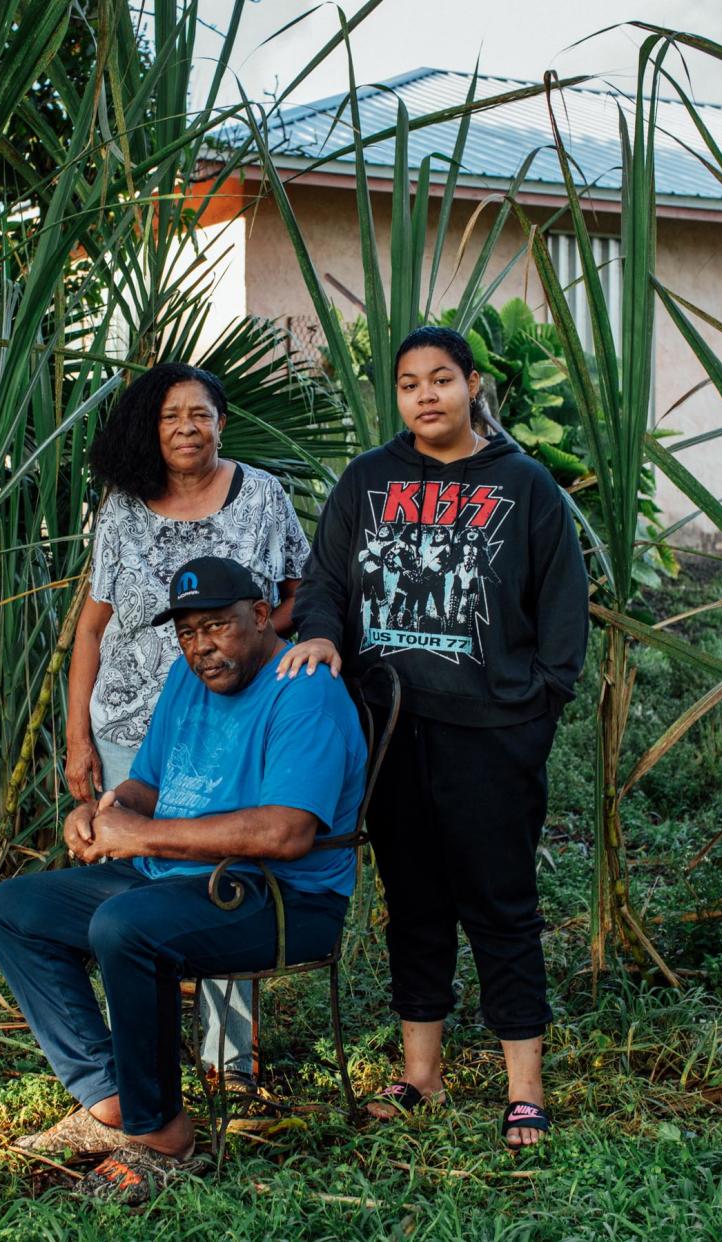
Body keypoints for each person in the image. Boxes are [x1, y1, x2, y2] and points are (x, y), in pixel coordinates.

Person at [277, 325, 589, 1149]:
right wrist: (320, 634)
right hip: (391, 733)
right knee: (414, 903)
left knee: (501, 904)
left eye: (441, 379)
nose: (426, 396)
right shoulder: (369, 480)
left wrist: (537, 709)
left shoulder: (525, 487)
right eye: (410, 383)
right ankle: (423, 1074)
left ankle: (525, 1085)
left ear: (472, 384)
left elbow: (563, 608)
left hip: (492, 736)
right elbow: (329, 580)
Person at [0, 557, 367, 1202]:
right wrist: (108, 812)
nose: (201, 648)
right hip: (177, 878)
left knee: (126, 927)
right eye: (187, 633)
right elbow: (150, 783)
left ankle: (163, 1138)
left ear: (261, 614)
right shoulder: (188, 679)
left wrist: (143, 838)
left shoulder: (306, 688)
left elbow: (287, 833)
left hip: (281, 898)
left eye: (216, 626)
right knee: (15, 908)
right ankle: (111, 1099)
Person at [65, 361, 310, 1093]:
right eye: (171, 416)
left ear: (221, 421)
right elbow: (90, 629)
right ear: (153, 425)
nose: (186, 428)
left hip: (226, 717)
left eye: (199, 414)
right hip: (126, 724)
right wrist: (78, 736)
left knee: (220, 874)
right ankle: (141, 1054)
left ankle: (228, 1061)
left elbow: (299, 592)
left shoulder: (262, 497)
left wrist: (243, 647)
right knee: (127, 890)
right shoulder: (124, 507)